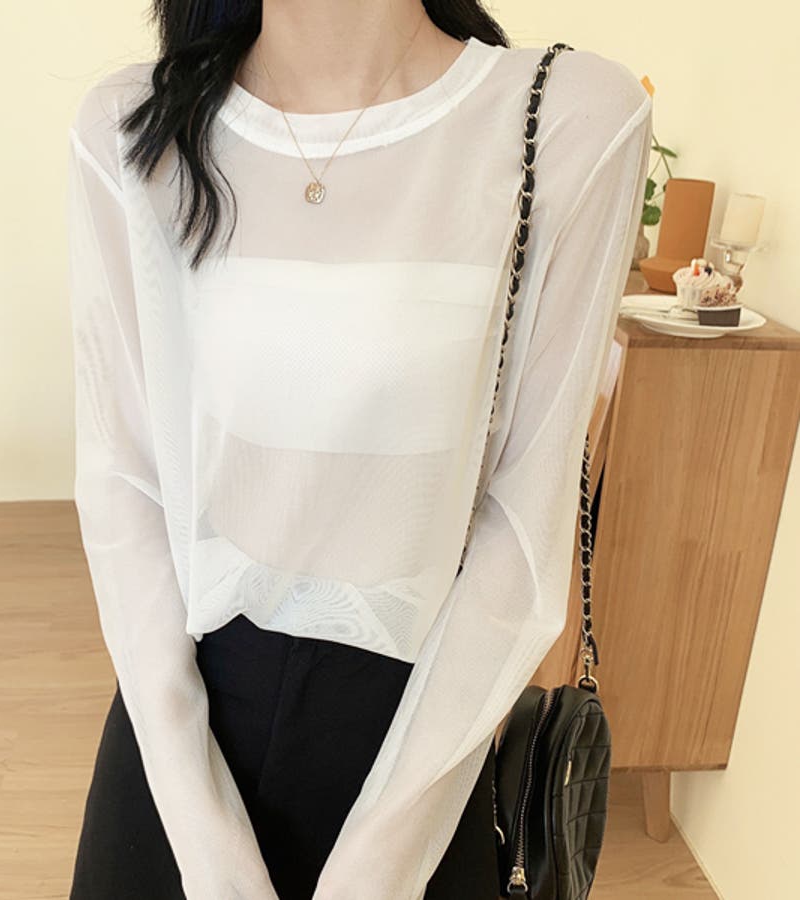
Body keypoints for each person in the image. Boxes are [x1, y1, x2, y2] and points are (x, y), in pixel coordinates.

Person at [65, 1, 652, 898]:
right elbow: (124, 484)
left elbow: (522, 522)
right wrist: (208, 847)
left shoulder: (563, 116)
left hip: (419, 743)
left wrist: (378, 870)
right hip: (183, 732)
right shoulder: (131, 125)